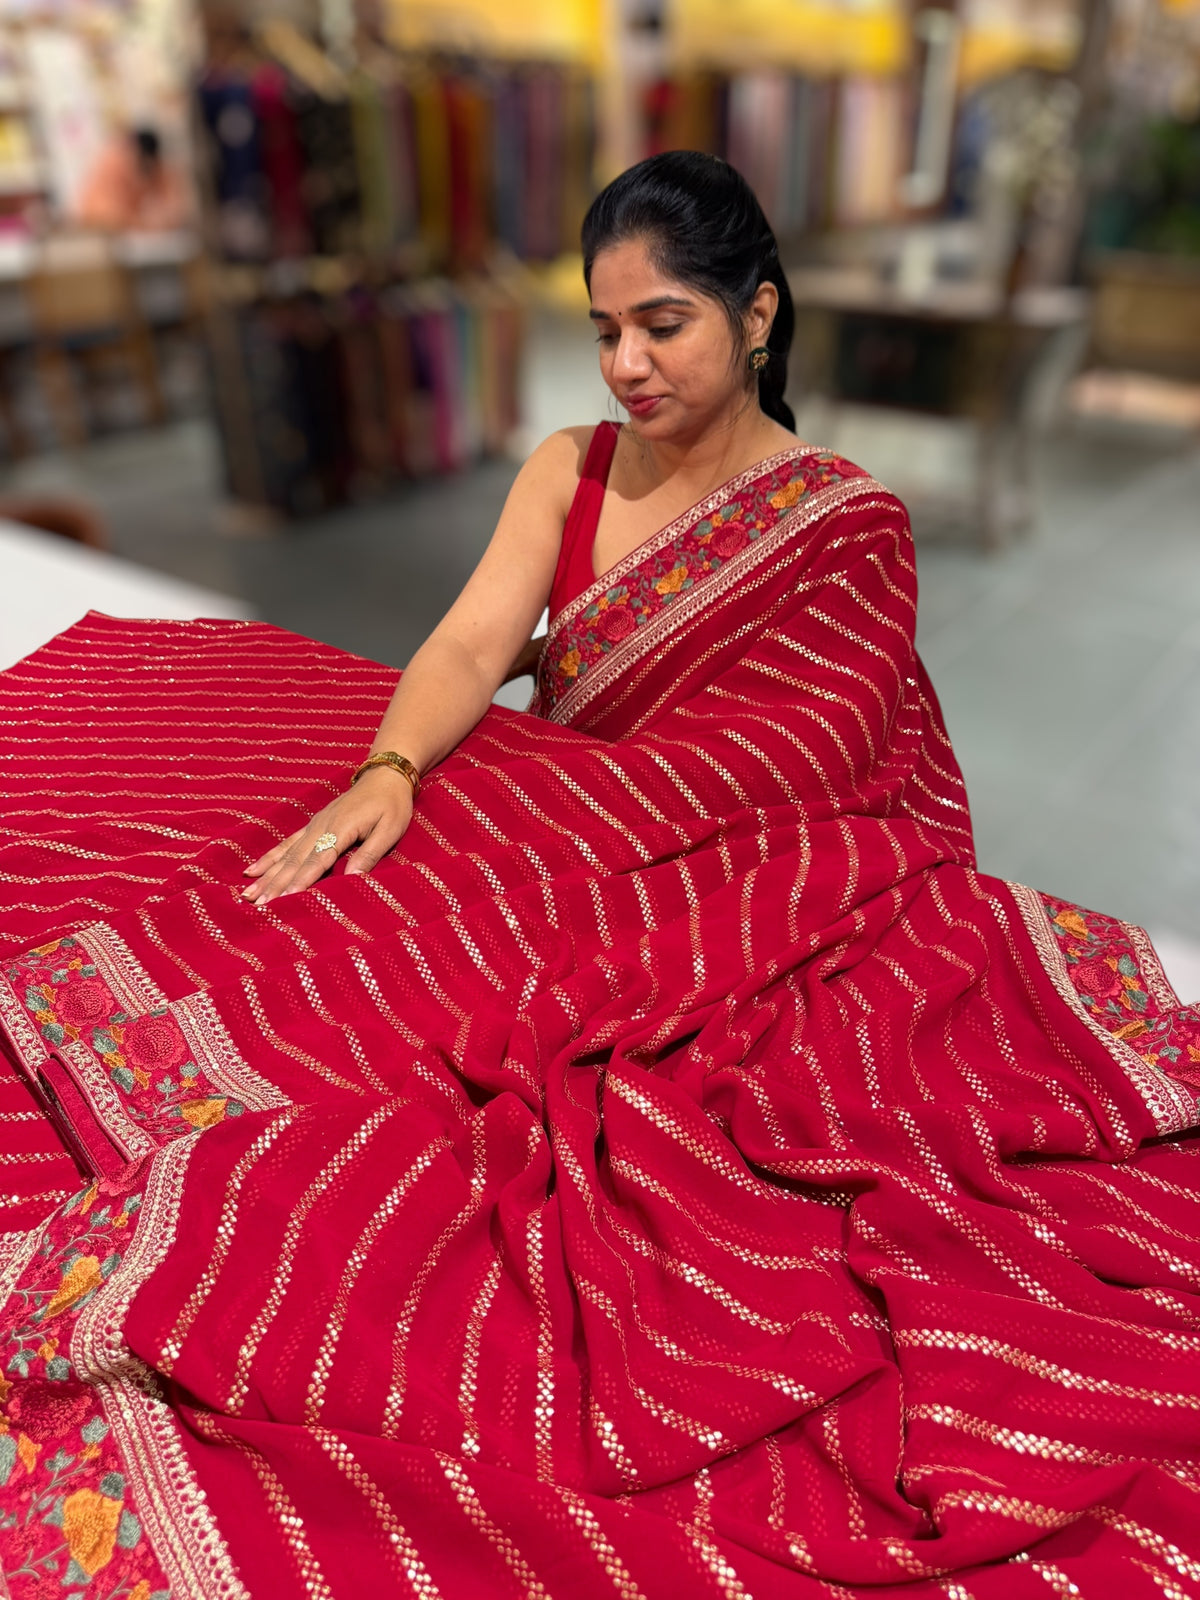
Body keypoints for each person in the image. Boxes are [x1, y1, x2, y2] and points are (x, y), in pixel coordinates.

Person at [0, 151, 1198, 1598]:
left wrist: (593, 827)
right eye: (604, 329)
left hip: (742, 879)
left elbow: (817, 773)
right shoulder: (565, 467)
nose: (627, 362)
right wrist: (391, 769)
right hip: (590, 838)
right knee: (308, 904)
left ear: (759, 316)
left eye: (664, 324)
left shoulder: (841, 521)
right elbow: (462, 648)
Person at [75, 125, 193, 234]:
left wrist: (164, 217)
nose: (146, 169)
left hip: (133, 233)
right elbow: (105, 215)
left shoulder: (158, 166)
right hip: (99, 230)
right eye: (142, 163)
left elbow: (175, 204)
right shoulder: (112, 162)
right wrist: (142, 223)